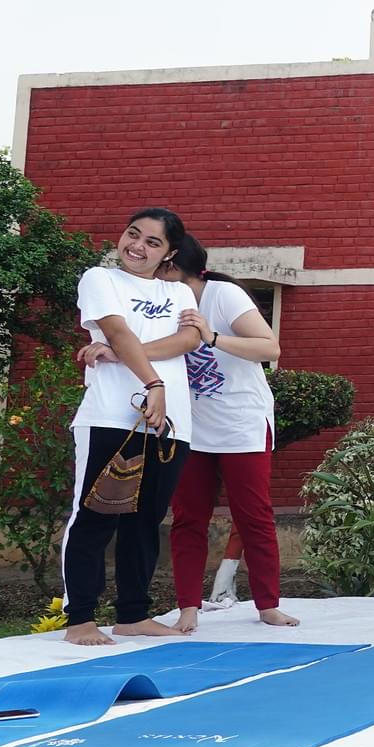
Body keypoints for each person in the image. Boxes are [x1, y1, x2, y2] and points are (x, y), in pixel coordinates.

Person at [80, 235, 299, 631]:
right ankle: (188, 608)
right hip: (188, 425)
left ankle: (267, 604)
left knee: (254, 515)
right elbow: (147, 345)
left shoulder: (223, 295)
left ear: (177, 266)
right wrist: (113, 352)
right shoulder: (162, 300)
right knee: (187, 518)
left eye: (161, 264)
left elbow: (271, 349)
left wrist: (211, 336)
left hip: (241, 422)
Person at [59, 208, 202, 646]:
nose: (137, 246)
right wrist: (152, 381)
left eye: (152, 242)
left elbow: (188, 340)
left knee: (145, 520)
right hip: (109, 416)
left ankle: (133, 614)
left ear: (169, 252)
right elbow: (117, 331)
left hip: (170, 422)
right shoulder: (100, 279)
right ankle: (80, 617)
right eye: (133, 234)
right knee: (96, 514)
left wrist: (120, 356)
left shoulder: (179, 293)